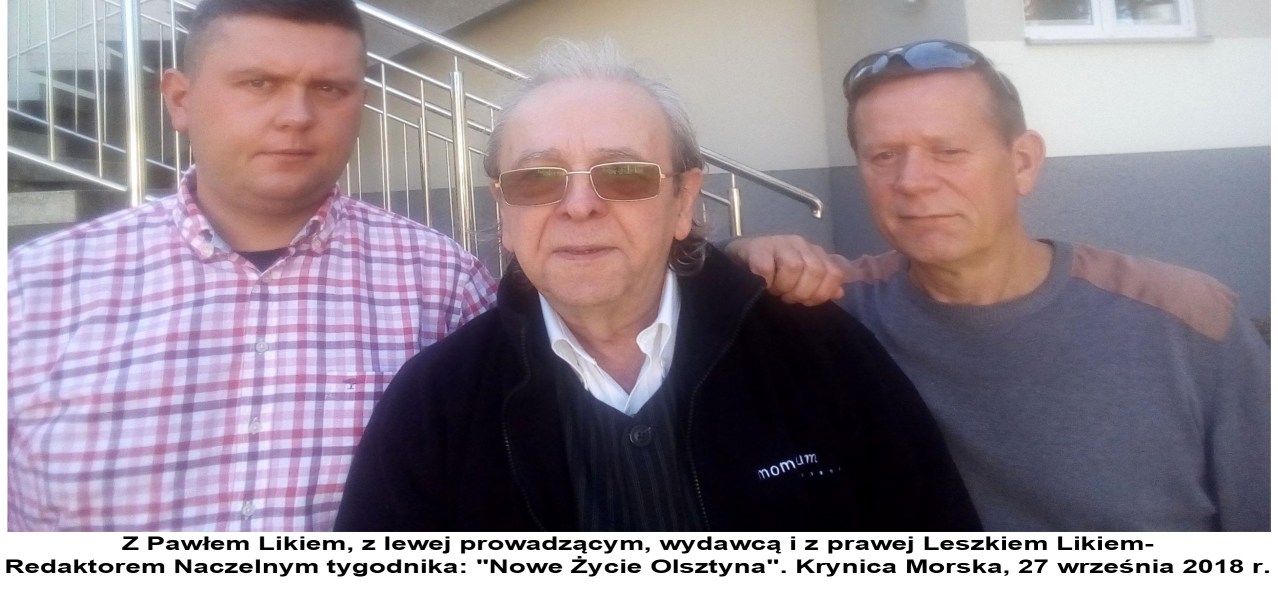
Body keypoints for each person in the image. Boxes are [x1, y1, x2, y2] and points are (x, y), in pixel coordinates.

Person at [334, 41, 980, 531]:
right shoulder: (436, 404)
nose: (579, 206)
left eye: (623, 174)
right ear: (504, 210)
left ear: (683, 201)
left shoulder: (820, 352)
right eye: (538, 179)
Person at [7, 0, 496, 531]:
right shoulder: (33, 290)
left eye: (329, 89)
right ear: (180, 100)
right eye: (259, 83)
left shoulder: (444, 287)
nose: (296, 116)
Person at [726, 39, 1271, 531]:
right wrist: (738, 254)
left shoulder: (1185, 322)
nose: (912, 182)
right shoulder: (841, 310)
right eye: (884, 156)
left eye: (948, 151)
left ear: (1023, 163)